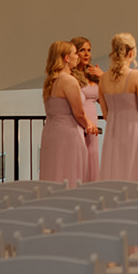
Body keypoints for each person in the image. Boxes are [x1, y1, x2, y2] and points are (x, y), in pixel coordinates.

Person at [98, 32, 138, 187]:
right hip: (135, 132)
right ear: (131, 52)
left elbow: (105, 113)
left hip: (113, 134)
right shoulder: (137, 75)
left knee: (115, 172)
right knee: (137, 176)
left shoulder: (103, 78)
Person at [39, 39, 97, 187]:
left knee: (54, 172)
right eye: (75, 53)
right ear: (66, 58)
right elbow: (78, 113)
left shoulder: (50, 81)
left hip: (51, 131)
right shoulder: (69, 81)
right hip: (68, 133)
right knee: (70, 172)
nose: (77, 57)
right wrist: (89, 124)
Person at [70, 35, 102, 182]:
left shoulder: (93, 74)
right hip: (78, 121)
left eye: (89, 50)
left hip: (93, 125)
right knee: (79, 160)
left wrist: (103, 77)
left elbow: (104, 99)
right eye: (82, 50)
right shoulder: (71, 76)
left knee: (92, 158)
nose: (86, 54)